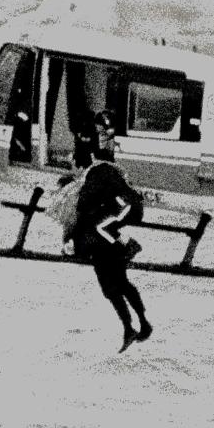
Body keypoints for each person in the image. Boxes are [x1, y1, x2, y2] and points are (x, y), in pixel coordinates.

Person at [72, 111, 152, 352]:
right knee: (114, 285)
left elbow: (84, 205)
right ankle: (134, 327)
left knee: (98, 227)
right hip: (111, 222)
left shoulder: (99, 171)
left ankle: (126, 245)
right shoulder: (101, 168)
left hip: (124, 209)